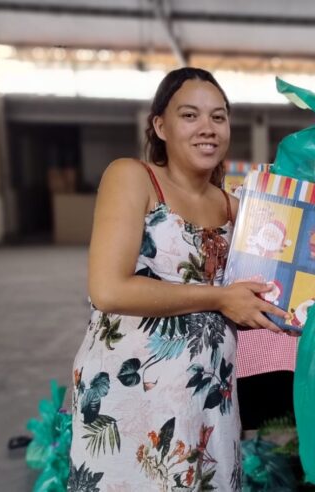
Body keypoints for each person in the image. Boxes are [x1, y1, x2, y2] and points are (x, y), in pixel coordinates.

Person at [69, 67, 287, 491]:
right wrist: (221, 298)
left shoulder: (237, 207)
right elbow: (108, 289)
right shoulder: (133, 177)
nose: (207, 128)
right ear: (160, 126)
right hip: (130, 399)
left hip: (207, 401)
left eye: (218, 117)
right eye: (190, 116)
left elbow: (259, 292)